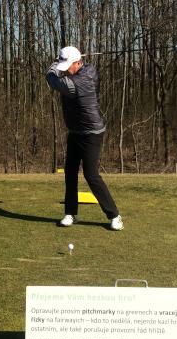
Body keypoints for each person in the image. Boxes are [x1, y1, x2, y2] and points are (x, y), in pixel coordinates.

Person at [46, 46, 123, 231]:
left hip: (91, 133)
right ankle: (70, 213)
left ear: (77, 63)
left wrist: (55, 63)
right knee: (70, 172)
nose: (66, 70)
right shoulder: (89, 69)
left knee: (91, 174)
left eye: (68, 66)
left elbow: (50, 77)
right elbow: (78, 67)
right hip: (75, 131)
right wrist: (65, 60)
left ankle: (114, 215)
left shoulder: (77, 83)